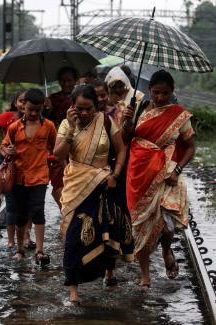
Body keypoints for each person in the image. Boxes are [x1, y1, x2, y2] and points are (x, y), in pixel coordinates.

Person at [53, 84, 134, 303]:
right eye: (80, 109)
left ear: (96, 106)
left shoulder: (106, 121)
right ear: (73, 106)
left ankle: (109, 271)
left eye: (89, 108)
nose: (85, 113)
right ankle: (73, 289)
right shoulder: (64, 124)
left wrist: (115, 175)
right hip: (77, 185)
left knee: (107, 231)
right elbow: (58, 154)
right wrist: (70, 128)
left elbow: (121, 149)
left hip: (105, 185)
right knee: (73, 236)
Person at [122, 70, 195, 289]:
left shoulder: (179, 115)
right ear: (149, 91)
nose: (160, 98)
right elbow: (126, 140)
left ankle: (165, 250)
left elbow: (190, 147)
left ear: (172, 92)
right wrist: (126, 122)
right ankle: (145, 275)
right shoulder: (139, 110)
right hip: (138, 174)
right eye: (155, 93)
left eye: (165, 93)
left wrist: (178, 170)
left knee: (165, 225)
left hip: (166, 174)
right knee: (140, 225)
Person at [1, 89, 57, 263]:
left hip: (40, 175)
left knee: (38, 211)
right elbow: (4, 147)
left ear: (42, 109)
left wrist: (53, 160)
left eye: (37, 110)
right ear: (23, 106)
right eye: (30, 109)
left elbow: (54, 147)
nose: (33, 113)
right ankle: (19, 249)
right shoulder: (14, 127)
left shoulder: (48, 126)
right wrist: (7, 151)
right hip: (19, 176)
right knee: (21, 214)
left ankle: (40, 250)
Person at [0, 90, 34, 249]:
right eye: (21, 101)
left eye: (27, 101)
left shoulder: (36, 119)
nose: (24, 104)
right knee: (11, 205)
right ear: (15, 102)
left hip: (29, 165)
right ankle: (11, 240)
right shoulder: (7, 117)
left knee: (29, 203)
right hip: (9, 165)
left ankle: (26, 236)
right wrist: (1, 149)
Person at [44, 66, 78, 209]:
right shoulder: (53, 99)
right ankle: (65, 212)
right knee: (58, 182)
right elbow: (46, 122)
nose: (66, 84)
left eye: (69, 80)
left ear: (75, 81)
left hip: (77, 141)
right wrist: (48, 109)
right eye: (63, 81)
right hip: (57, 141)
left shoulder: (80, 97)